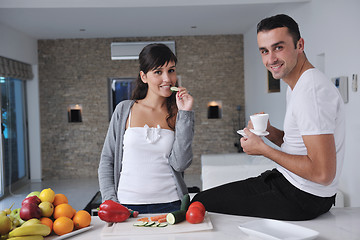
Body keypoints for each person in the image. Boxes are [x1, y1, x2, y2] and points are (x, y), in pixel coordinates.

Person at [192, 14, 345, 221]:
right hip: (293, 186)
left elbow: (322, 173)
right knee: (202, 200)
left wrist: (263, 149)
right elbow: (300, 145)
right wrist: (271, 133)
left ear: (299, 45)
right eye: (264, 51)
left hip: (302, 197)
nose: (270, 59)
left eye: (278, 47)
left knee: (200, 204)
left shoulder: (311, 91)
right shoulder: (298, 85)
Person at [98, 43, 194, 214]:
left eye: (171, 70)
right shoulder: (124, 109)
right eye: (158, 72)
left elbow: (181, 164)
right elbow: (107, 160)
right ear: (143, 76)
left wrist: (185, 113)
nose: (167, 78)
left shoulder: (179, 113)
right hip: (126, 205)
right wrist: (111, 201)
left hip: (171, 205)